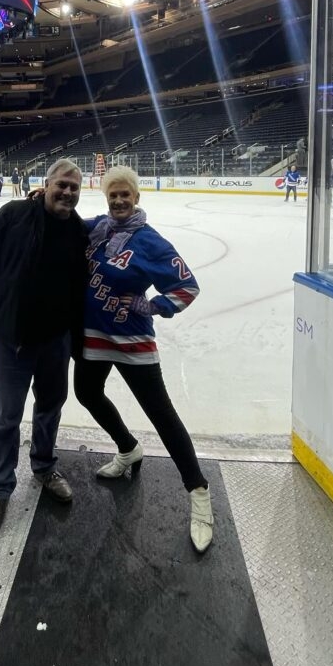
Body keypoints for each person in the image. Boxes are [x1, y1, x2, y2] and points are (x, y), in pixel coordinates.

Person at [72, 167, 213, 553]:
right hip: (93, 338)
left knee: (162, 416)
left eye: (126, 195)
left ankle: (199, 493)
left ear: (136, 198)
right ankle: (128, 447)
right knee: (86, 393)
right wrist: (39, 199)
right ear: (106, 197)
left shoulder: (150, 241)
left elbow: (188, 286)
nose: (119, 201)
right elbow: (62, 223)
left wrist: (153, 305)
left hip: (132, 340)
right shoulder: (96, 229)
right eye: (113, 195)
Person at [0, 159, 89, 540]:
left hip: (55, 341)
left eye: (74, 188)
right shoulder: (12, 214)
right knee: (6, 417)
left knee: (50, 408)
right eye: (61, 185)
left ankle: (44, 466)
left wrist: (77, 344)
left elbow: (80, 293)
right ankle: (0, 489)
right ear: (45, 184)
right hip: (12, 338)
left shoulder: (79, 232)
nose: (66, 192)